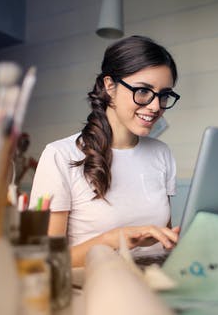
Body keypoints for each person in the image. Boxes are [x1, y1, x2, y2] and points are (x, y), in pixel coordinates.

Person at [29, 35, 181, 267]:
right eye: (143, 91)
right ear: (110, 86)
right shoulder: (60, 156)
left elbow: (164, 239)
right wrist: (112, 240)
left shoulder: (162, 153)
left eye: (164, 95)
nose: (155, 106)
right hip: (96, 288)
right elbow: (46, 261)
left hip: (155, 283)